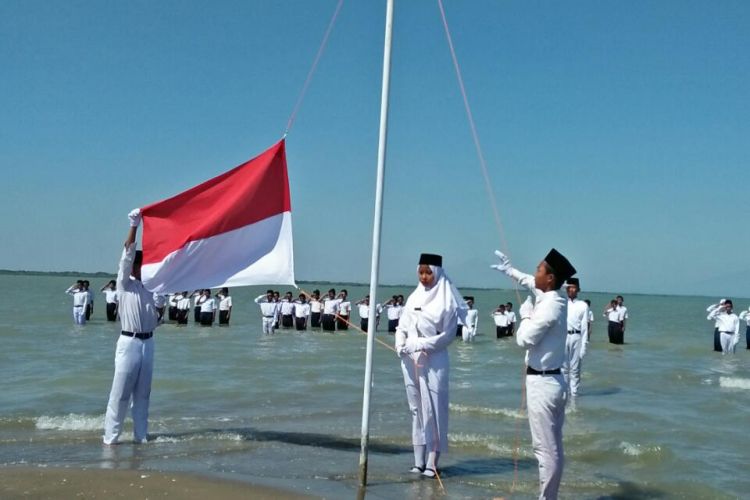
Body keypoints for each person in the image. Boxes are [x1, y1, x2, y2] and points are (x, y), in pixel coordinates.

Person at [492, 248, 576, 500]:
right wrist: (510, 271)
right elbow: (530, 282)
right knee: (550, 447)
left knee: (545, 450)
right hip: (547, 380)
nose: (535, 273)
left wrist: (525, 315)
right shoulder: (550, 295)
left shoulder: (551, 306)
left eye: (539, 269)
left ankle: (547, 498)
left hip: (544, 382)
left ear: (550, 278)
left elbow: (524, 339)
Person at [394, 253, 465, 479]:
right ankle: (418, 460)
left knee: (434, 409)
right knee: (416, 409)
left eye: (428, 273)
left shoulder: (447, 301)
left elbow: (447, 336)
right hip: (410, 359)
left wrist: (421, 343)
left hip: (434, 360)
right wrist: (400, 341)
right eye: (421, 272)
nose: (424, 277)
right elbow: (402, 325)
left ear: (437, 272)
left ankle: (433, 462)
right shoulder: (413, 297)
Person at [103, 208, 161, 445]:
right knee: (120, 394)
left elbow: (158, 316)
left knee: (143, 395)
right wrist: (134, 226)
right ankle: (111, 439)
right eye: (142, 264)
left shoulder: (153, 288)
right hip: (129, 342)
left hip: (148, 343)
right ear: (136, 267)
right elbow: (127, 255)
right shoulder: (125, 284)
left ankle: (141, 437)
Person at [562, 278, 590, 402]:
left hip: (576, 337)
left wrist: (584, 345)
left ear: (578, 289)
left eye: (573, 287)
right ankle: (564, 393)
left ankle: (574, 394)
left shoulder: (583, 305)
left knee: (575, 368)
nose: (571, 289)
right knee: (563, 368)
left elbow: (584, 327)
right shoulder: (562, 302)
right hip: (563, 336)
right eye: (569, 287)